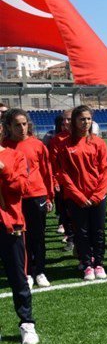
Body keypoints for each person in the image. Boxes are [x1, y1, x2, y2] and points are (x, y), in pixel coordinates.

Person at [57, 105, 107, 281]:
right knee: (81, 232)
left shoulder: (98, 143)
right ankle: (87, 264)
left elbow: (106, 170)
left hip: (97, 197)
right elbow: (63, 174)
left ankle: (99, 263)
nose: (86, 122)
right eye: (82, 119)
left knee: (98, 231)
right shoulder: (66, 145)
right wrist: (78, 196)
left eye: (88, 119)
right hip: (76, 198)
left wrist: (97, 195)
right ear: (74, 122)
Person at [2, 109, 54, 288]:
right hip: (14, 198)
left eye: (24, 124)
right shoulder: (4, 146)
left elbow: (47, 172)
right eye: (17, 125)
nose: (22, 128)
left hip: (36, 195)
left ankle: (39, 271)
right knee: (20, 238)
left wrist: (49, 197)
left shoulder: (37, 145)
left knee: (38, 236)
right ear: (8, 126)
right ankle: (26, 273)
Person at [0, 125, 39, 344]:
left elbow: (23, 186)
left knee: (18, 277)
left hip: (9, 225)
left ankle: (27, 324)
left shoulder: (14, 156)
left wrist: (4, 169)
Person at [45, 109, 74, 251]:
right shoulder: (57, 140)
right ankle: (70, 238)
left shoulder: (87, 138)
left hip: (82, 184)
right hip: (63, 184)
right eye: (63, 120)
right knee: (64, 212)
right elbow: (52, 163)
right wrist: (55, 182)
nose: (65, 122)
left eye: (68, 119)